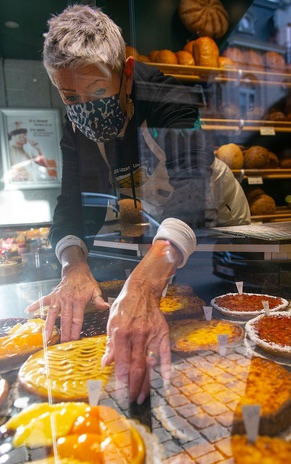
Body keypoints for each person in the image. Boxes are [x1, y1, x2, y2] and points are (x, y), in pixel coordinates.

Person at [26, 4, 250, 405]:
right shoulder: (75, 123)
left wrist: (145, 284)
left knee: (218, 298)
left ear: (126, 74)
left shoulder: (169, 95)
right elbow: (72, 203)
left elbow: (190, 191)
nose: (83, 106)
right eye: (69, 95)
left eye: (97, 91)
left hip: (214, 212)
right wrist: (73, 266)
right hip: (150, 209)